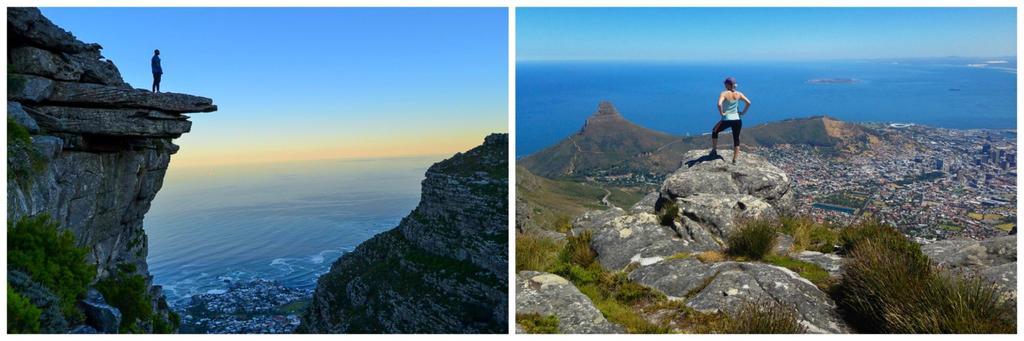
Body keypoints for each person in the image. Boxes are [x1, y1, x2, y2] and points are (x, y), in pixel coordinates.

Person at [711, 77, 751, 164]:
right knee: (736, 139)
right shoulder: (739, 94)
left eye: (725, 84)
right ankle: (735, 160)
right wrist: (743, 113)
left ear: (727, 85)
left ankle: (714, 150)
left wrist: (722, 113)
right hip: (737, 119)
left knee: (714, 131)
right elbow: (748, 102)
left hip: (727, 119)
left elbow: (719, 104)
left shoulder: (724, 94)